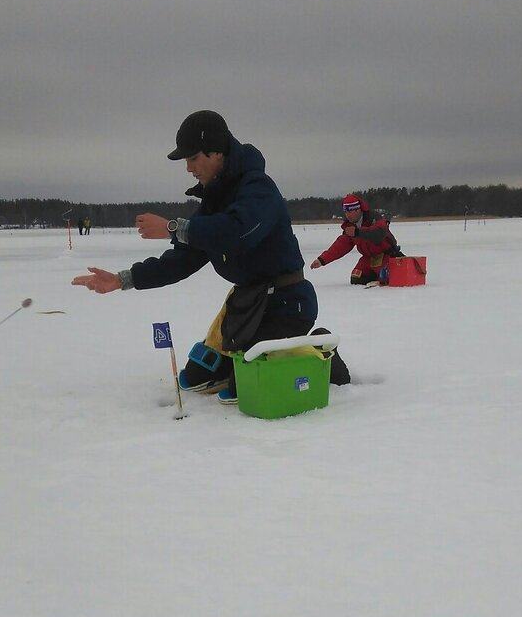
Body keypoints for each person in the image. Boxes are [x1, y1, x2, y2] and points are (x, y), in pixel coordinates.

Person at [72, 110, 349, 400]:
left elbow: (236, 233)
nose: (189, 168)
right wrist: (122, 279)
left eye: (193, 158)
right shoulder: (214, 201)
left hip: (288, 304)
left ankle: (321, 353)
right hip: (246, 306)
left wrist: (172, 227)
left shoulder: (258, 189)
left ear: (217, 152)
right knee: (195, 378)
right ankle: (248, 357)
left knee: (244, 388)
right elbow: (183, 259)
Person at [310, 194, 403, 286]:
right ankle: (377, 278)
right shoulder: (350, 226)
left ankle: (383, 277)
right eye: (345, 212)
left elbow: (379, 234)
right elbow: (340, 246)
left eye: (350, 212)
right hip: (368, 258)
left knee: (387, 278)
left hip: (386, 255)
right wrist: (322, 260)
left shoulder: (374, 218)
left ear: (358, 210)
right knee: (357, 279)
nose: (347, 215)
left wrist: (358, 232)